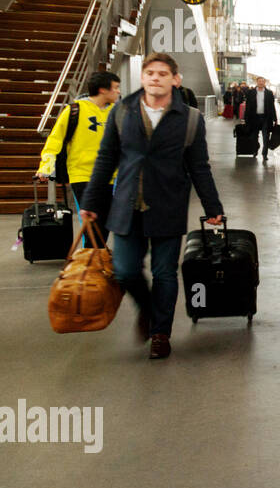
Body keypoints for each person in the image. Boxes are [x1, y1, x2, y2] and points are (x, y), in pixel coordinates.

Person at [81, 53, 224, 360]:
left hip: (168, 205)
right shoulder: (122, 111)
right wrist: (91, 201)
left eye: (162, 73)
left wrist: (213, 207)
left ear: (175, 79)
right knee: (125, 271)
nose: (155, 77)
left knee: (164, 273)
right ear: (143, 78)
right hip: (126, 206)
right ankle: (147, 309)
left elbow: (199, 166)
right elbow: (106, 158)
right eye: (150, 73)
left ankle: (161, 333)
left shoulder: (190, 119)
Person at [37, 71, 121, 209]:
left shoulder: (118, 112)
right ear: (103, 90)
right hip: (82, 175)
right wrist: (46, 166)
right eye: (115, 87)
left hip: (113, 175)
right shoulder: (74, 110)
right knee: (92, 224)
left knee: (108, 224)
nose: (118, 91)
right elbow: (54, 141)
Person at [243, 76, 278, 162]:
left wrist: (275, 118)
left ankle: (264, 154)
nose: (261, 83)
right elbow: (247, 107)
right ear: (257, 82)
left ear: (264, 83)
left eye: (262, 81)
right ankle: (255, 150)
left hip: (266, 118)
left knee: (266, 137)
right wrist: (245, 118)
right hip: (254, 118)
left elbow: (272, 107)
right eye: (259, 81)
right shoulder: (251, 92)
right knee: (254, 137)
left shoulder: (269, 93)